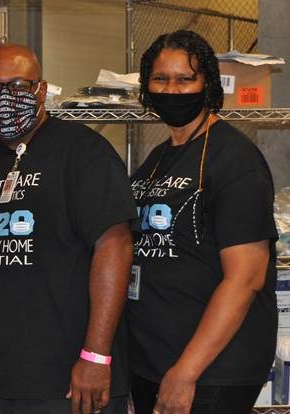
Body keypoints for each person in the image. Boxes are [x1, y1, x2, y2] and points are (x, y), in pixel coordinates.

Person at [0, 43, 138, 414]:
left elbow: (115, 246)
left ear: (41, 90)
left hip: (71, 384)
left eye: (19, 86)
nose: (5, 98)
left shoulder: (84, 152)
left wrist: (96, 356)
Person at [128, 30, 278, 414]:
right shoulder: (159, 158)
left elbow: (245, 279)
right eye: (160, 79)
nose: (172, 90)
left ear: (206, 83)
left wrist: (186, 371)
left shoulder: (234, 160)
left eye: (184, 79)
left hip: (209, 370)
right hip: (155, 360)